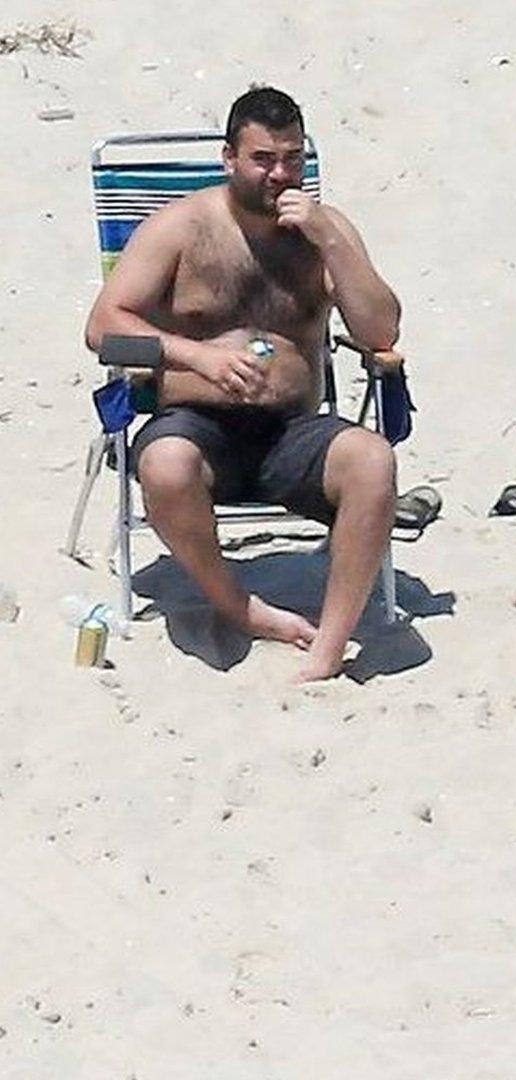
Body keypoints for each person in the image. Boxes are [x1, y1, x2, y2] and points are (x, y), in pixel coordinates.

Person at [82, 86, 403, 682]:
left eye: (292, 158)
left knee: (373, 462)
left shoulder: (326, 234)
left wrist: (330, 241)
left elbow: (380, 330)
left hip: (294, 432)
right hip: (199, 427)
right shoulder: (180, 228)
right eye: (263, 159)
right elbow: (104, 327)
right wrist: (196, 357)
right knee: (166, 466)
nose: (279, 174)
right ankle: (240, 606)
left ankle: (328, 649)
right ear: (229, 158)